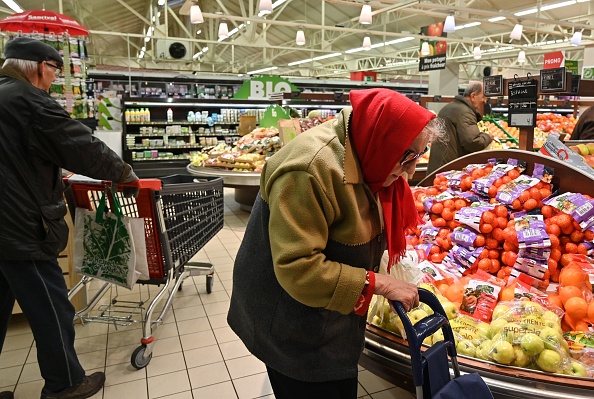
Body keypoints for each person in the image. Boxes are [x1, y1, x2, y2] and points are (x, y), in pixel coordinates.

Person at [227, 88, 445, 398]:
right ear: (382, 142)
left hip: (324, 311)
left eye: (419, 156)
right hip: (288, 318)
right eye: (408, 156)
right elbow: (299, 268)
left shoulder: (369, 154)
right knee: (311, 383)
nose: (412, 170)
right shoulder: (309, 170)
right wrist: (379, 284)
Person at [0, 37, 139, 399]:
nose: (55, 79)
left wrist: (42, 172)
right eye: (55, 71)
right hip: (20, 227)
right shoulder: (29, 100)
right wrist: (122, 172)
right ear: (42, 67)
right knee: (51, 309)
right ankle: (65, 384)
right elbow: (79, 144)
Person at [426, 81, 493, 174]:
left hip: (439, 166)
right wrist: (487, 137)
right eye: (484, 97)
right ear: (473, 96)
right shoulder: (465, 112)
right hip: (449, 170)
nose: (485, 101)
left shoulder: (449, 107)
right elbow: (473, 142)